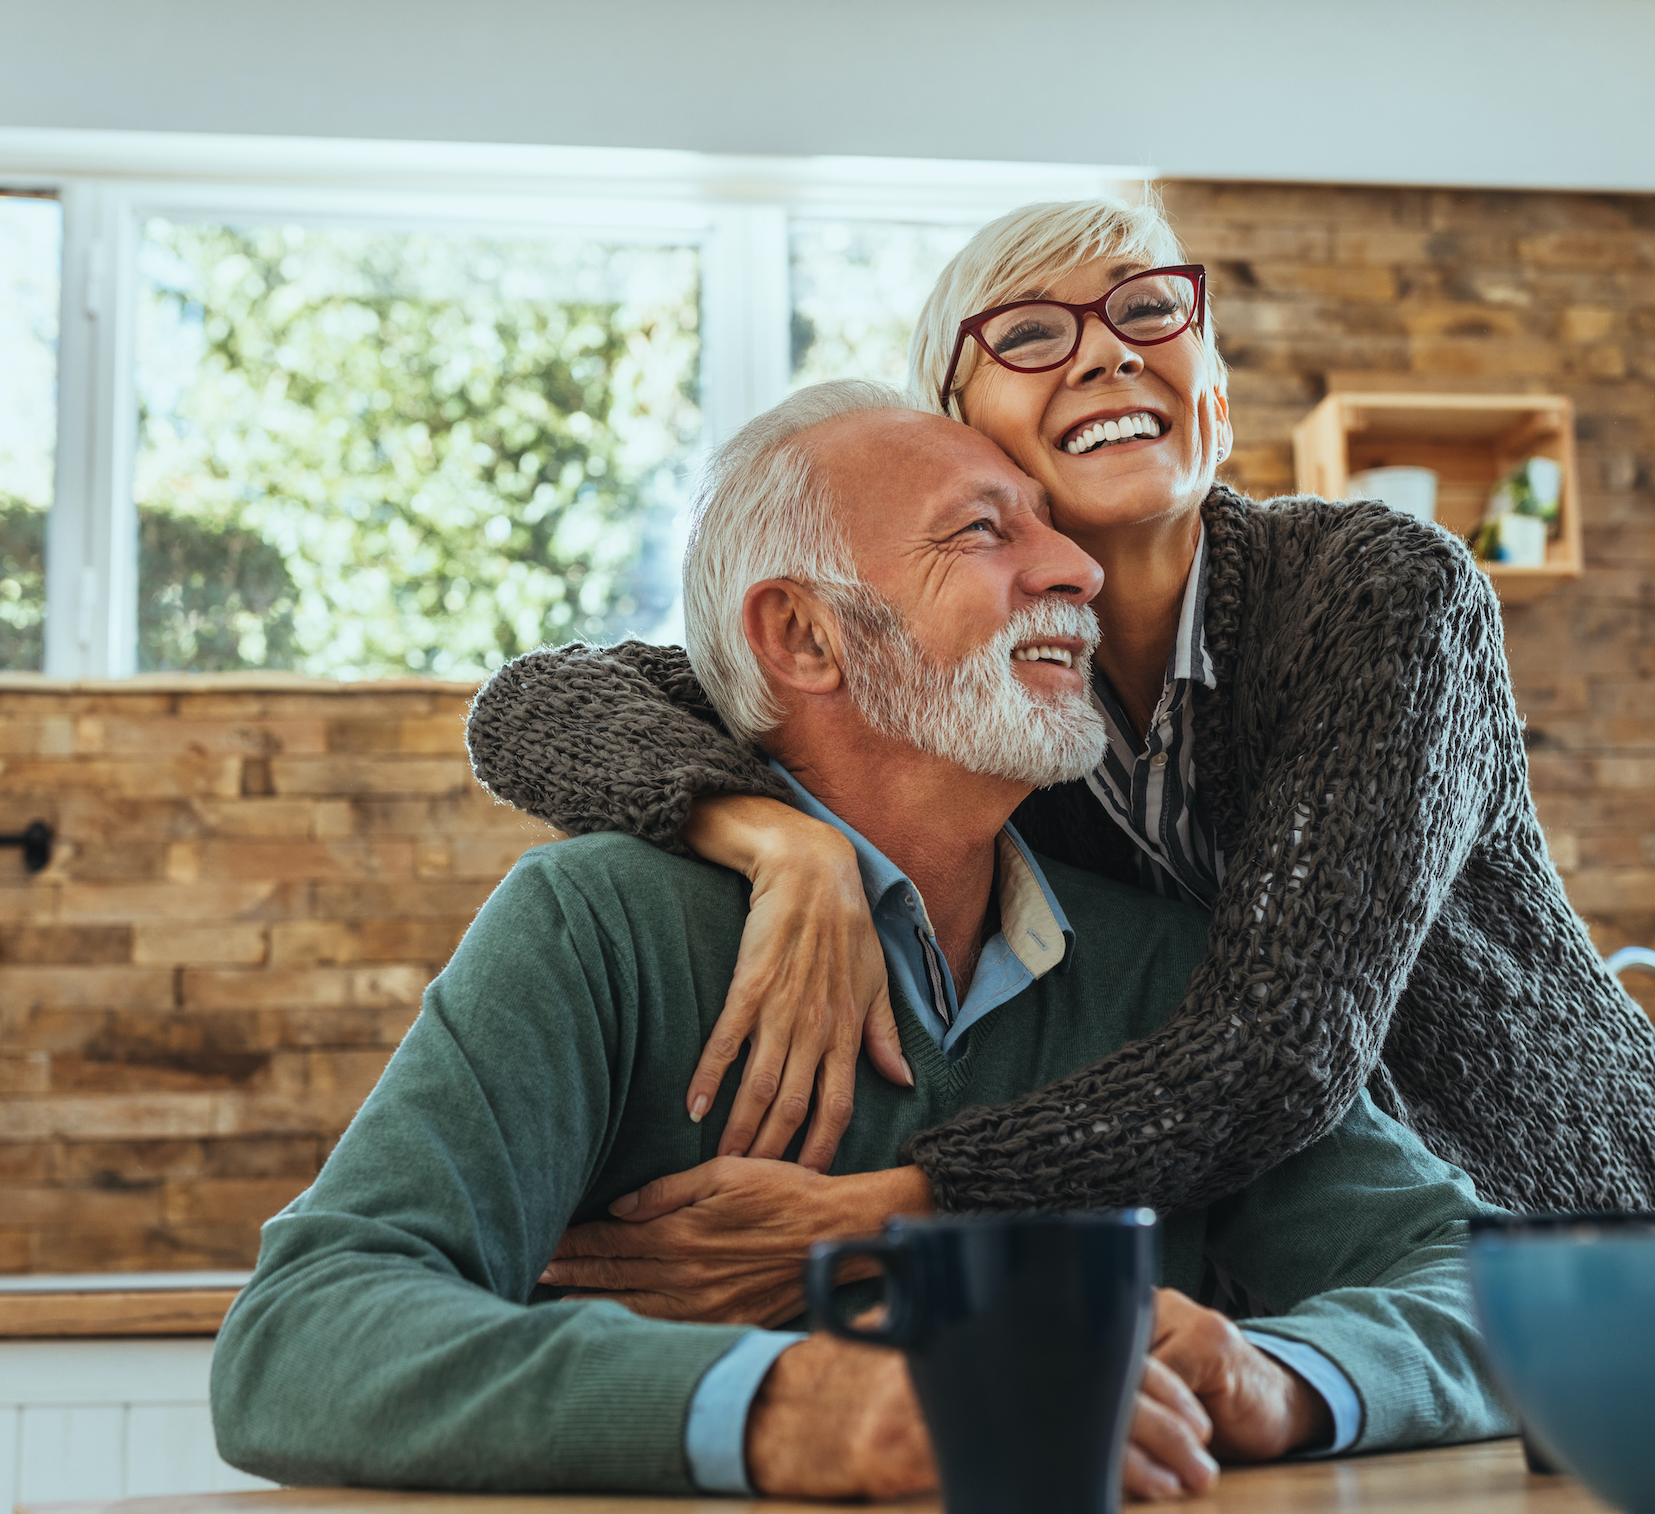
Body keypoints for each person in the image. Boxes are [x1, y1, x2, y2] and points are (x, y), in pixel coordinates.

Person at [212, 387, 1508, 1502]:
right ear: (804, 635)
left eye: (1053, 529)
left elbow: (1480, 1290)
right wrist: (798, 1404)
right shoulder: (596, 927)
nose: (1075, 570)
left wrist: (1273, 1371)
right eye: (985, 532)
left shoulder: (1168, 969)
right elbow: (302, 1336)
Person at [464, 202, 1655, 1290]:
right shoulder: (977, 688)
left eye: (1147, 309)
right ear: (958, 434)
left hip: (1558, 1230)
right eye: (1030, 334)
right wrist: (780, 843)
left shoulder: (1379, 589)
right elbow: (538, 702)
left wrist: (888, 1212)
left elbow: (1281, 1045)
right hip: (1295, 1277)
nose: (1104, 349)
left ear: (1218, 406)